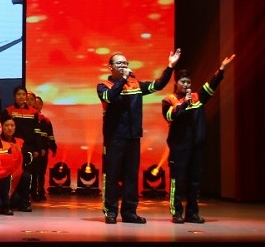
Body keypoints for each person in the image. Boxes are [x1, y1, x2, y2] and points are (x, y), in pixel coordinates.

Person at [97, 48, 179, 224]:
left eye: (125, 63)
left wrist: (170, 66)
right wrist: (124, 79)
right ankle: (111, 211)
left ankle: (129, 212)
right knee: (111, 176)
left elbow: (158, 85)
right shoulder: (104, 86)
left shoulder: (136, 85)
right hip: (114, 138)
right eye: (119, 63)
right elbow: (110, 98)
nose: (123, 65)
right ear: (110, 67)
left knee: (131, 176)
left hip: (133, 137)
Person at [162, 54, 235, 224]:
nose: (186, 85)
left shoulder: (197, 98)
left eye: (188, 82)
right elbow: (170, 117)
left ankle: (192, 213)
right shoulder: (169, 100)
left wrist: (221, 69)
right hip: (179, 147)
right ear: (176, 83)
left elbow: (211, 86)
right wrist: (184, 104)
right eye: (183, 82)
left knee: (194, 181)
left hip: (196, 146)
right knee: (177, 181)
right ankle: (177, 213)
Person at [5, 85, 39, 212]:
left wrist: (36, 148)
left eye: (23, 94)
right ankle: (8, 199)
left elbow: (37, 132)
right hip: (12, 146)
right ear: (14, 96)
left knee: (27, 174)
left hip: (27, 147)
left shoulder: (34, 112)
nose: (21, 97)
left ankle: (25, 201)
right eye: (18, 94)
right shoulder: (8, 111)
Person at [30, 95, 57, 202]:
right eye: (34, 102)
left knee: (41, 172)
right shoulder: (30, 118)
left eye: (38, 103)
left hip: (43, 150)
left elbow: (50, 135)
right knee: (33, 172)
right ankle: (32, 192)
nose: (36, 105)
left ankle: (40, 191)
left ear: (41, 105)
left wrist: (53, 147)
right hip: (33, 149)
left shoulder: (46, 121)